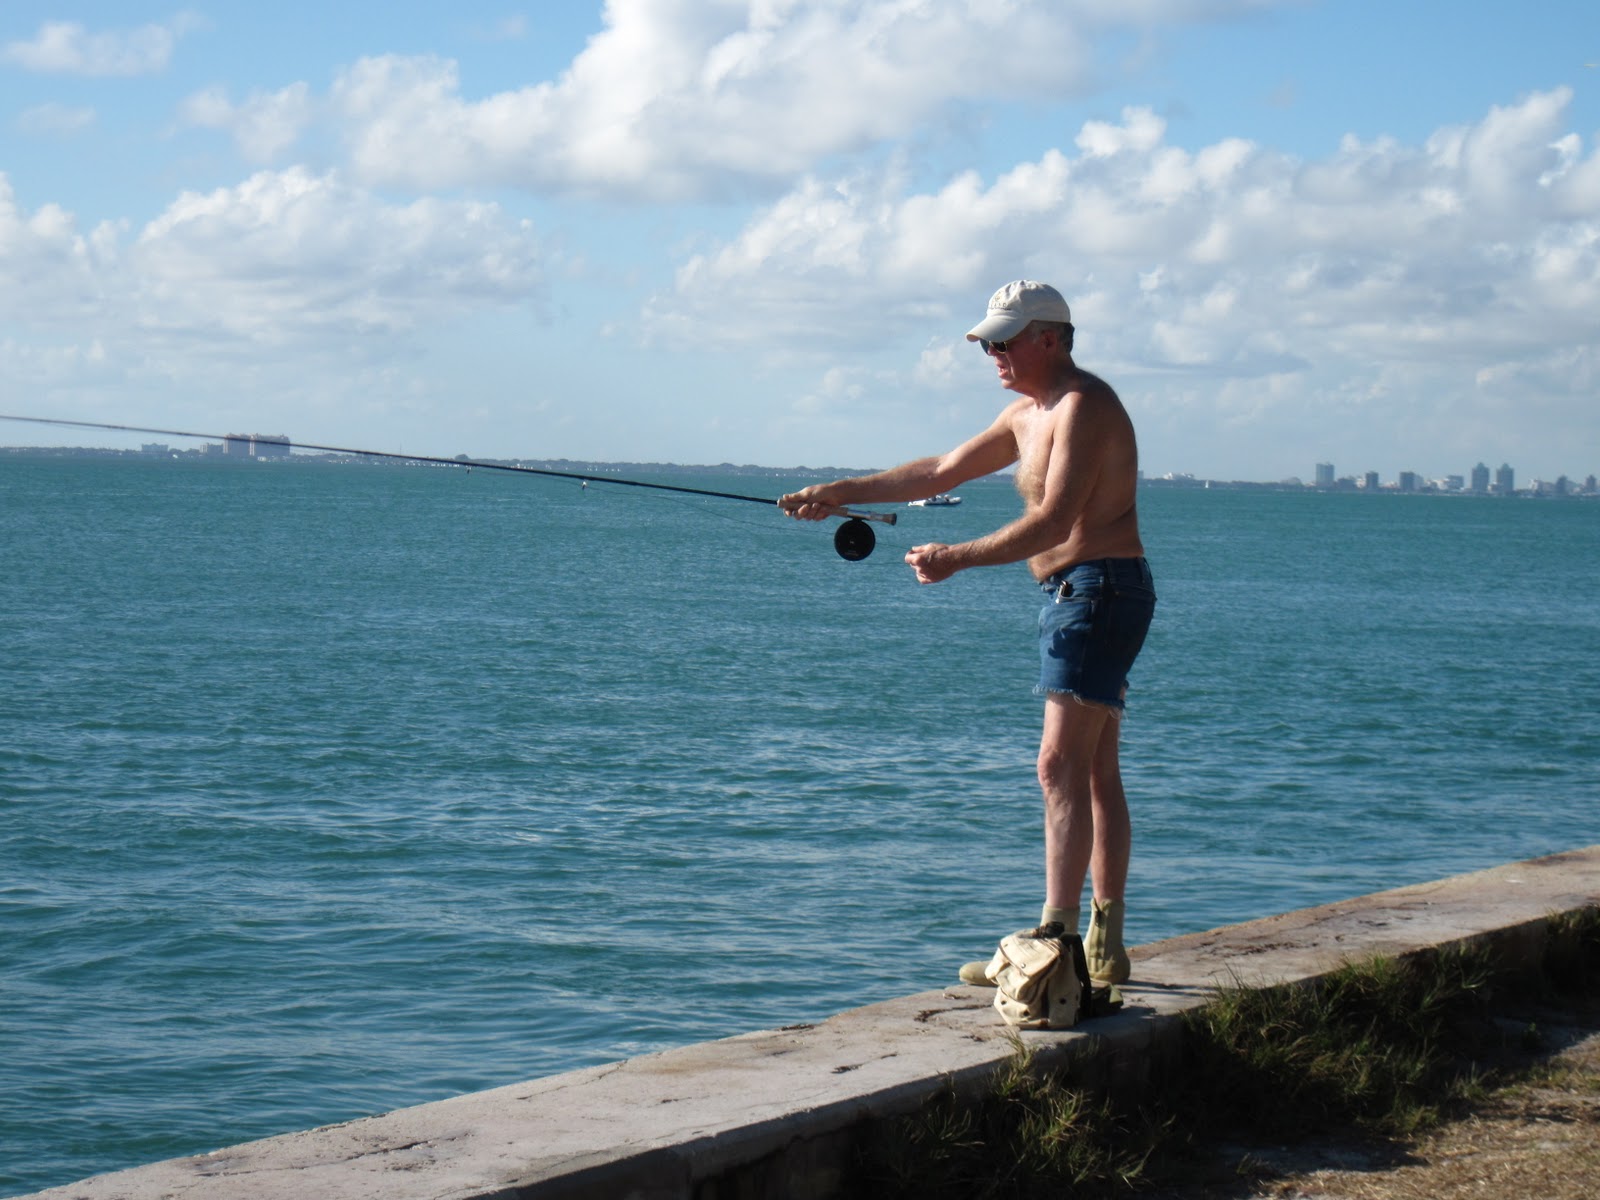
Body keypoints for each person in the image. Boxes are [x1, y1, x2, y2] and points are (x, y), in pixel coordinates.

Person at [780, 280, 1156, 987]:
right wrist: (840, 491)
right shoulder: (1025, 415)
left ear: (1049, 337)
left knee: (1056, 767)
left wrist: (956, 558)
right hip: (1082, 593)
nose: (992, 353)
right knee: (1094, 770)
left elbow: (1053, 524)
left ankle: (1056, 944)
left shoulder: (1084, 407)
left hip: (1100, 590)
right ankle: (1102, 942)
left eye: (1003, 340)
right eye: (987, 341)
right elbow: (941, 471)